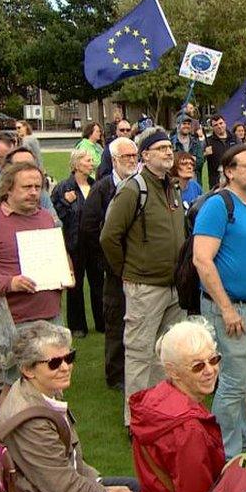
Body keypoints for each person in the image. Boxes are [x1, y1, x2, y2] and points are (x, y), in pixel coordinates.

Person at [0, 321, 141, 492]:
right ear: (28, 370)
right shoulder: (30, 419)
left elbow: (71, 464)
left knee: (144, 489)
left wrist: (97, 484)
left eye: (69, 357)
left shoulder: (43, 390)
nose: (65, 367)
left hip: (66, 487)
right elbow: (61, 487)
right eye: (54, 363)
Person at [192, 144, 246, 458]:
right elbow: (202, 260)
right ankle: (227, 454)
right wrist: (227, 308)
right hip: (236, 311)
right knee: (233, 383)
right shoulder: (219, 205)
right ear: (230, 171)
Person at [100, 127, 186, 426]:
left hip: (173, 286)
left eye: (169, 147)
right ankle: (136, 420)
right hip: (144, 286)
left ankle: (158, 412)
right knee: (138, 353)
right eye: (160, 148)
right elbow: (109, 237)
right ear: (145, 155)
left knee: (164, 355)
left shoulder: (171, 187)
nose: (168, 152)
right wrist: (126, 271)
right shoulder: (133, 189)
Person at [0, 162, 66, 382]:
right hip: (15, 321)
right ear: (8, 189)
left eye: (38, 186)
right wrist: (9, 282)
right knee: (15, 386)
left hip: (51, 315)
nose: (34, 192)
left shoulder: (46, 217)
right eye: (27, 187)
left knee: (52, 382)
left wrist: (65, 273)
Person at [129, 319, 225, 492]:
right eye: (198, 366)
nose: (210, 370)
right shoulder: (189, 428)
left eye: (214, 359)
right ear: (173, 371)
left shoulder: (153, 400)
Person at [81, 137, 138, 391]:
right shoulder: (103, 188)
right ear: (114, 160)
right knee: (116, 319)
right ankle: (115, 374)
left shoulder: (140, 186)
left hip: (138, 267)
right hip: (114, 268)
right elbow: (90, 228)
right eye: (126, 157)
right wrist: (108, 261)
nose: (131, 161)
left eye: (134, 156)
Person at [51, 149, 104, 339]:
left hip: (94, 243)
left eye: (92, 161)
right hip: (74, 243)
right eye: (88, 161)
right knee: (76, 286)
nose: (92, 164)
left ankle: (102, 321)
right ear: (76, 164)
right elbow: (56, 217)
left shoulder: (95, 185)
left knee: (98, 283)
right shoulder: (64, 188)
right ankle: (77, 326)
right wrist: (65, 203)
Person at [205, 115, 239, 190]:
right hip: (217, 181)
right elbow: (200, 161)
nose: (219, 126)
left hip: (235, 177)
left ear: (225, 123)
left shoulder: (235, 138)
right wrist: (205, 154)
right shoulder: (208, 142)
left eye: (221, 123)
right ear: (212, 127)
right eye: (216, 125)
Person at [171, 115, 205, 185]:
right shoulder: (172, 142)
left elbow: (201, 161)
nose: (187, 126)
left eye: (188, 124)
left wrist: (182, 162)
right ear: (178, 125)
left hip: (195, 182)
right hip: (177, 183)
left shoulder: (195, 142)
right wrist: (192, 159)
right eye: (184, 123)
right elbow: (171, 163)